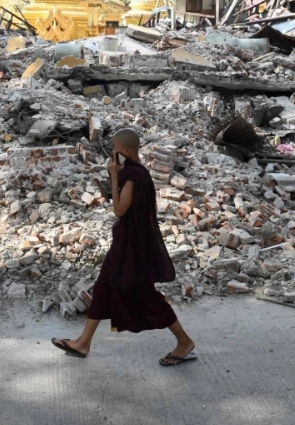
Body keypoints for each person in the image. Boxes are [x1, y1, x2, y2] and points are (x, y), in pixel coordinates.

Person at [52, 128, 197, 366]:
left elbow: (119, 210)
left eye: (115, 150)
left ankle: (184, 342)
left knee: (146, 295)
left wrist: (114, 175)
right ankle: (83, 342)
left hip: (132, 248)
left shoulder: (134, 176)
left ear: (126, 151)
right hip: (126, 243)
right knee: (102, 289)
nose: (113, 155)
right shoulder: (136, 172)